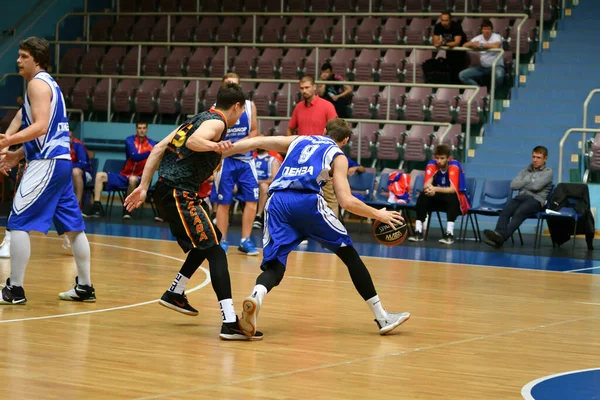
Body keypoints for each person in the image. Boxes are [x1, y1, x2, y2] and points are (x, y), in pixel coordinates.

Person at [220, 118, 410, 338]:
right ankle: (382, 316)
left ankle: (256, 295)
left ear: (323, 130)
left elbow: (256, 142)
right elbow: (347, 202)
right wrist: (379, 214)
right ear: (345, 139)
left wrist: (219, 153)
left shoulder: (299, 140)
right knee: (349, 255)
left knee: (275, 266)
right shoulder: (337, 156)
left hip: (277, 202)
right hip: (307, 203)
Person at [124, 83, 262, 340]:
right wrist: (213, 147)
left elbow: (158, 148)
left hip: (167, 192)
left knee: (205, 244)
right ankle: (229, 321)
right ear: (236, 107)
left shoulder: (195, 119)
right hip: (179, 194)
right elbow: (195, 141)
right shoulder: (217, 124)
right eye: (241, 112)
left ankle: (176, 292)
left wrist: (143, 188)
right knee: (217, 250)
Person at [0, 36, 95, 305]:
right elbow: (46, 131)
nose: (18, 60)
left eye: (23, 56)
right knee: (74, 228)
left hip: (48, 163)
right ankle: (85, 287)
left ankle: (14, 290)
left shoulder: (37, 85)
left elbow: (40, 127)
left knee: (17, 222)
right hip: (61, 162)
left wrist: (10, 141)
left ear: (37, 59)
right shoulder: (49, 84)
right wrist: (18, 155)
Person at [210, 73, 260, 255]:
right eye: (228, 85)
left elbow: (254, 131)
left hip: (246, 159)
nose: (232, 88)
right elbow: (214, 136)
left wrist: (238, 146)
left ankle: (245, 241)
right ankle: (222, 240)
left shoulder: (249, 106)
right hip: (225, 161)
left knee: (252, 200)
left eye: (235, 85)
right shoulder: (215, 109)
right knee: (224, 202)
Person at [287, 75, 339, 216]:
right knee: (302, 196)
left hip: (322, 162)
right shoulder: (298, 108)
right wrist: (291, 150)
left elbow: (336, 131)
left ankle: (334, 231)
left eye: (307, 87)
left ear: (314, 87)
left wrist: (332, 156)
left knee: (328, 196)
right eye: (302, 88)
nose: (304, 91)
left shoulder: (327, 106)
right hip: (302, 162)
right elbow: (290, 129)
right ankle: (304, 232)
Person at [484, 146, 553, 248]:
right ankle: (498, 234)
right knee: (506, 209)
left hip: (536, 200)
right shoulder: (526, 170)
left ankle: (501, 238)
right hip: (521, 197)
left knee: (520, 211)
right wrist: (529, 181)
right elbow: (513, 185)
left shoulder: (548, 172)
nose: (535, 160)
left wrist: (524, 181)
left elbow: (536, 186)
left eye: (538, 157)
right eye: (533, 157)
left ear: (545, 159)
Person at [86, 121, 156, 219]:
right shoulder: (130, 140)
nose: (142, 130)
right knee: (99, 175)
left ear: (147, 129)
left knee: (133, 179)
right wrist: (151, 152)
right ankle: (97, 207)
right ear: (136, 129)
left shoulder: (151, 143)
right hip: (124, 175)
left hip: (139, 178)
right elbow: (134, 156)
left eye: (144, 128)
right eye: (139, 128)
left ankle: (127, 209)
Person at [408, 144, 470, 245]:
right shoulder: (432, 164)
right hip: (438, 198)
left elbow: (452, 190)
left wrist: (434, 188)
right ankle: (418, 231)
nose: (439, 161)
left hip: (455, 201)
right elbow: (426, 185)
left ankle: (449, 234)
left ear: (448, 158)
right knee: (423, 195)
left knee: (452, 198)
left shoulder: (454, 165)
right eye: (437, 158)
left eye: (442, 158)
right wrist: (429, 190)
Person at [459, 19, 504, 87]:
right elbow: (464, 45)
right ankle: (479, 91)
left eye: (488, 29)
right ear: (481, 30)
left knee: (499, 75)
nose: (486, 31)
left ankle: (493, 94)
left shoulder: (496, 36)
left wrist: (481, 45)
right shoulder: (478, 38)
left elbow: (496, 46)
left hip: (497, 66)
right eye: (485, 29)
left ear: (492, 30)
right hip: (483, 68)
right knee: (462, 75)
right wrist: (472, 44)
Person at [433, 11, 467, 84]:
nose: (444, 23)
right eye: (442, 20)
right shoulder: (438, 26)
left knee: (459, 70)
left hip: (460, 50)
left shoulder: (456, 26)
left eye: (446, 20)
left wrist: (444, 43)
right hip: (449, 50)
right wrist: (438, 43)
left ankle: (460, 90)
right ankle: (452, 89)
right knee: (451, 70)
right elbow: (435, 42)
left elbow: (457, 43)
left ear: (450, 20)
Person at [252, 146, 281, 229]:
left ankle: (258, 216)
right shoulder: (251, 159)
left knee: (264, 187)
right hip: (251, 184)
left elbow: (274, 180)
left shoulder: (273, 160)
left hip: (265, 185)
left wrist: (259, 182)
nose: (260, 146)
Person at [70, 130, 92, 208]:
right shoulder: (60, 146)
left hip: (85, 173)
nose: (68, 139)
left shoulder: (78, 145)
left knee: (75, 172)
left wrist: (67, 166)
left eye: (70, 137)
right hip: (67, 171)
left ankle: (77, 204)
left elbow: (83, 164)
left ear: (73, 137)